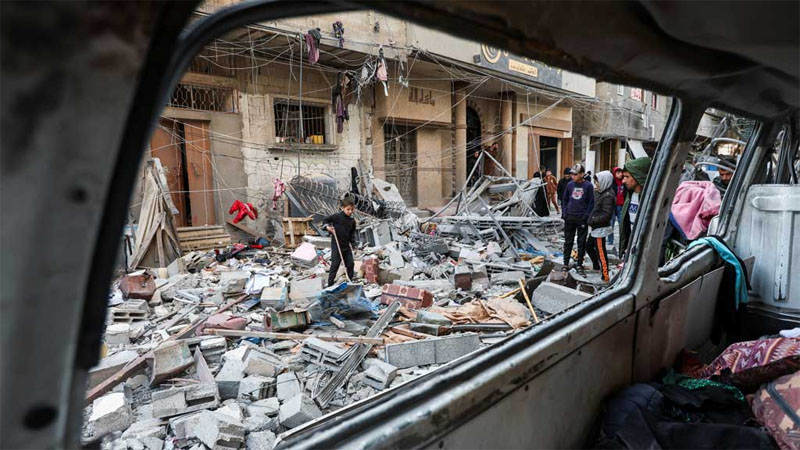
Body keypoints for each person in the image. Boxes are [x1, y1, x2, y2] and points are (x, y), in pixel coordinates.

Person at [561, 164, 595, 276]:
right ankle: (565, 264)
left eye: (575, 174)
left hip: (582, 218)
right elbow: (564, 200)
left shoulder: (588, 186)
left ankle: (580, 264)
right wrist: (565, 213)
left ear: (581, 174)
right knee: (568, 242)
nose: (573, 176)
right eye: (572, 174)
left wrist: (586, 215)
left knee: (581, 243)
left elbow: (591, 203)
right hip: (570, 217)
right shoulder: (570, 185)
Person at [619, 157, 653, 259]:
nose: (623, 181)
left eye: (627, 177)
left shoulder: (649, 198)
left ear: (638, 177)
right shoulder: (630, 195)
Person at [585, 171, 616, 282]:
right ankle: (597, 267)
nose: (596, 184)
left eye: (597, 182)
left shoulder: (608, 196)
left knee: (601, 252)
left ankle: (605, 276)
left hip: (600, 228)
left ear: (604, 181)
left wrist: (593, 220)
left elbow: (606, 215)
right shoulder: (601, 192)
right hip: (595, 227)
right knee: (588, 246)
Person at [323, 197, 357, 286]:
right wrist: (328, 227)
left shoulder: (352, 221)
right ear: (343, 208)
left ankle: (349, 282)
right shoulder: (337, 216)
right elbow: (325, 220)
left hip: (346, 246)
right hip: (336, 245)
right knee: (335, 265)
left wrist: (353, 244)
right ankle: (330, 284)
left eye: (352, 209)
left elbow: (352, 234)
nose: (350, 211)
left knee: (350, 264)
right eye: (348, 209)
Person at [609, 167, 626, 247]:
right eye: (618, 173)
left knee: (621, 224)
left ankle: (622, 242)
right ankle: (610, 242)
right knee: (611, 224)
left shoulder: (624, 182)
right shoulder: (612, 183)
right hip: (613, 206)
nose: (620, 174)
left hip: (621, 205)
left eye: (620, 173)